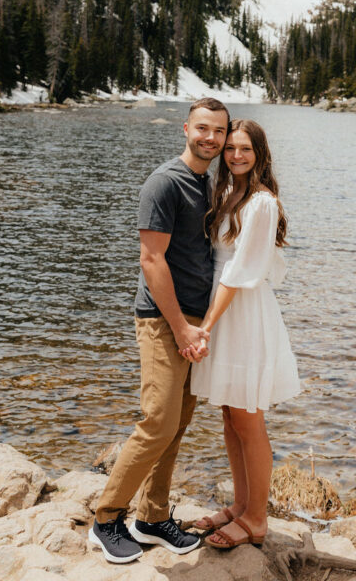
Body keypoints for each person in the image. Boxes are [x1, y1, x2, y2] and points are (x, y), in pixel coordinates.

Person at [88, 97, 230, 565]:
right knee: (158, 422)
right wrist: (181, 329)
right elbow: (151, 261)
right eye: (202, 129)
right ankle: (107, 518)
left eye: (219, 131)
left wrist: (201, 326)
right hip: (163, 320)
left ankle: (151, 517)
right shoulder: (165, 183)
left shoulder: (206, 183)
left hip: (192, 321)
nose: (210, 138)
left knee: (179, 423)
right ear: (185, 129)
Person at [186, 119, 300, 550]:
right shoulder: (229, 193)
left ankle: (257, 518)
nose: (235, 155)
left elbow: (239, 272)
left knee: (248, 418)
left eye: (245, 149)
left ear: (260, 153)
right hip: (222, 303)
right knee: (230, 416)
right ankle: (239, 504)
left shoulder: (262, 203)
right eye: (230, 148)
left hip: (241, 310)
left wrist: (206, 326)